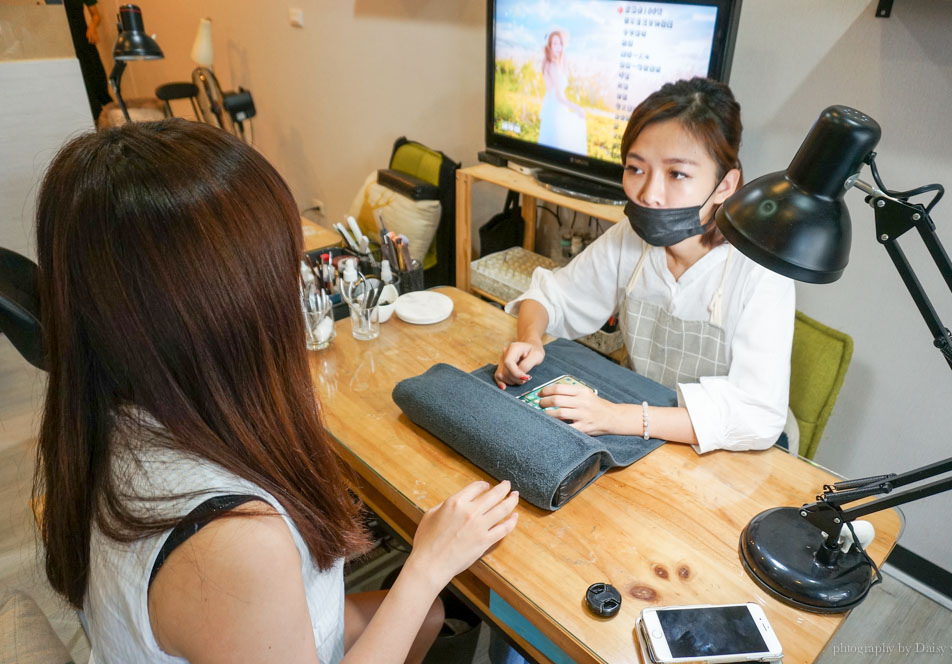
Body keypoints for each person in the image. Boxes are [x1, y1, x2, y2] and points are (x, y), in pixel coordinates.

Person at [34, 120, 519, 663]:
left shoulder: (110, 411)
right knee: (427, 599)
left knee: (428, 615)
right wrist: (428, 564)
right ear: (220, 313)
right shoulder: (232, 542)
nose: (298, 280)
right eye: (284, 263)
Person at [495, 77, 795, 454]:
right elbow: (551, 296)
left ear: (725, 185)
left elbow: (757, 418)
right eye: (636, 168)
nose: (649, 194)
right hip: (641, 429)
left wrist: (616, 418)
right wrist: (530, 338)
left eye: (677, 174)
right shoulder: (630, 239)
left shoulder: (759, 271)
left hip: (724, 448)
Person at [537, 29, 587, 154]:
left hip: (553, 108)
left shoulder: (550, 62)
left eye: (560, 43)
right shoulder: (552, 65)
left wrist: (563, 55)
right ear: (549, 45)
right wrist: (577, 108)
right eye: (555, 43)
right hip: (556, 109)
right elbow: (559, 96)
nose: (558, 47)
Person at [62, 0, 113, 121]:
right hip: (63, 42)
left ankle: (108, 112)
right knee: (79, 78)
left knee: (95, 73)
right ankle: (94, 116)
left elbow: (96, 15)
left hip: (82, 37)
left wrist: (92, 27)